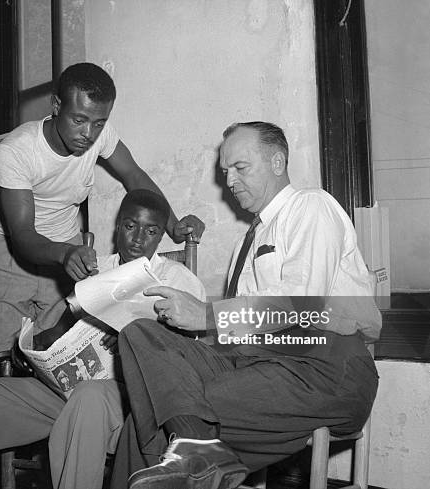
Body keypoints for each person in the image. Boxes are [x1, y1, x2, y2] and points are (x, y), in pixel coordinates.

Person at [109, 122, 381, 489]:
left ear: (278, 162)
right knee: (139, 335)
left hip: (321, 369)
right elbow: (239, 337)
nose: (230, 181)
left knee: (160, 417)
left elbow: (302, 305)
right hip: (254, 367)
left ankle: (197, 454)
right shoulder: (246, 244)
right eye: (224, 172)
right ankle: (201, 454)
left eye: (241, 167)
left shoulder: (310, 207)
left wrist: (206, 315)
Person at [0, 189, 206, 489]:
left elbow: (192, 359)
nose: (138, 239)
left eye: (151, 231)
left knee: (88, 397)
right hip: (63, 392)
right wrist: (30, 348)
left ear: (162, 235)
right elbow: (55, 331)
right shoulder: (93, 270)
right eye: (129, 226)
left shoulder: (177, 280)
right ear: (117, 226)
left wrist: (136, 335)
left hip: (123, 401)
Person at [0, 62, 205, 362]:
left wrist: (172, 225)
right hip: (11, 253)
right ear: (57, 105)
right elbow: (23, 235)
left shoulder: (99, 133)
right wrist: (63, 254)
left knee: (59, 355)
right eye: (79, 120)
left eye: (99, 122)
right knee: (3, 360)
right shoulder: (17, 151)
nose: (89, 133)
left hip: (67, 251)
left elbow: (134, 176)